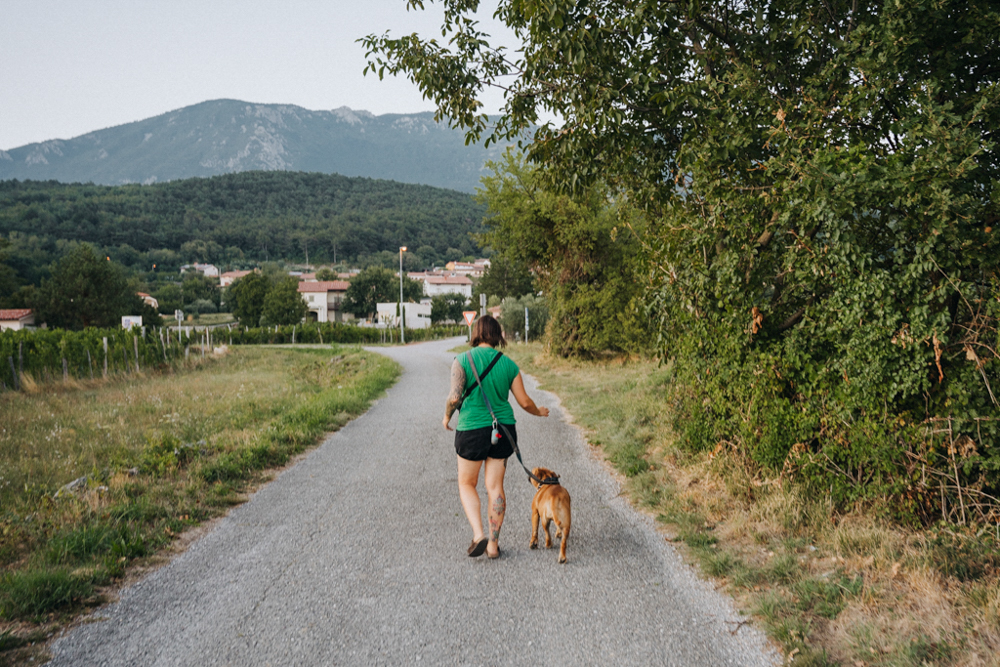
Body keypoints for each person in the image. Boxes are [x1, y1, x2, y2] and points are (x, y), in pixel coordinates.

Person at [443, 315, 550, 559]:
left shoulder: (462, 360)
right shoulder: (509, 364)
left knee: (467, 483)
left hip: (471, 429)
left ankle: (478, 534)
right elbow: (524, 402)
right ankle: (493, 546)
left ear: (476, 333)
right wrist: (539, 412)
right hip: (502, 430)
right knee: (495, 486)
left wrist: (447, 416)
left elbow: (454, 397)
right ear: (497, 334)